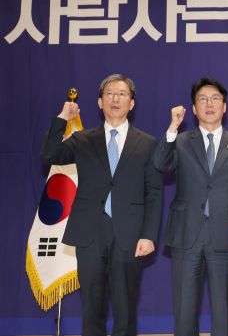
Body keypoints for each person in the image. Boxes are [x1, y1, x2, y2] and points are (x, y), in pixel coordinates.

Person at [40, 74, 163, 336]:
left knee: (125, 310)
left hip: (129, 235)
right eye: (109, 94)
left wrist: (149, 235)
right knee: (91, 309)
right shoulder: (83, 139)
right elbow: (50, 155)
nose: (115, 98)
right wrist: (63, 117)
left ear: (131, 103)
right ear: (99, 102)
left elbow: (153, 192)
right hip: (90, 233)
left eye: (122, 94)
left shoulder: (148, 143)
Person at [153, 77, 228, 336]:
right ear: (194, 108)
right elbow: (161, 164)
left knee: (223, 310)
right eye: (202, 99)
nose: (209, 104)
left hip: (226, 234)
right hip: (187, 234)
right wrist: (172, 128)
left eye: (215, 99)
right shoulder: (180, 140)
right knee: (184, 310)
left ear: (225, 107)